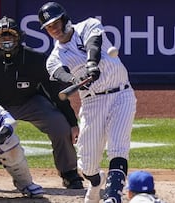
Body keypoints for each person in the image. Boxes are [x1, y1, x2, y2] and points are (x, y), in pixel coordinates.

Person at [0, 16, 84, 190]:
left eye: (10, 36)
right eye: (2, 36)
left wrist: (71, 122)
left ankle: (69, 172)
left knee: (59, 126)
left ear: (19, 37)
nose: (6, 41)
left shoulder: (36, 59)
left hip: (29, 102)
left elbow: (55, 93)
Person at [38, 2, 137, 203]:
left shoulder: (88, 25)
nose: (54, 29)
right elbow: (60, 74)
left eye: (56, 23)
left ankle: (112, 196)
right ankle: (96, 182)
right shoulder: (54, 58)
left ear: (65, 19)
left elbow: (94, 44)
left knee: (118, 147)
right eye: (49, 27)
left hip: (121, 94)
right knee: (87, 165)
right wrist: (75, 80)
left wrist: (92, 63)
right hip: (92, 103)